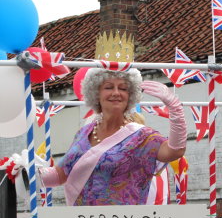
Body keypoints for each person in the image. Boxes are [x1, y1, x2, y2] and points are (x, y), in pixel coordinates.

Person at [39, 68, 186, 206]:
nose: (116, 93)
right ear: (96, 93)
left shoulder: (143, 137)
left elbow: (175, 150)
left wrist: (175, 108)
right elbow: (60, 175)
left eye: (122, 88)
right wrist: (27, 171)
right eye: (109, 87)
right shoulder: (83, 133)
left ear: (130, 96)